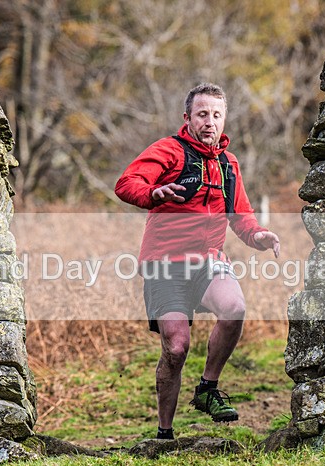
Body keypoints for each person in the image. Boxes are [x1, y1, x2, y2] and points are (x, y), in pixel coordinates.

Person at [115, 82, 280, 440]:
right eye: (202, 114)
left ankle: (207, 388)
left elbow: (241, 216)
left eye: (217, 115)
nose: (210, 122)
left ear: (224, 119)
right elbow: (126, 182)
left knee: (234, 308)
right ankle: (164, 433)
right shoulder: (169, 150)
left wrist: (258, 236)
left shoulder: (228, 164)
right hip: (165, 264)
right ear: (187, 117)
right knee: (176, 348)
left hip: (208, 261)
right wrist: (153, 192)